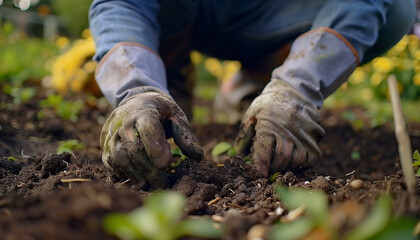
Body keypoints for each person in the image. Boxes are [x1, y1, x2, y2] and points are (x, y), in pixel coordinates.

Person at [89, 0, 415, 188]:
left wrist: (297, 88)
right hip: (191, 12)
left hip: (276, 14)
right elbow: (120, 4)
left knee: (398, 9)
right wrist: (136, 88)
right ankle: (167, 73)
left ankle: (264, 79)